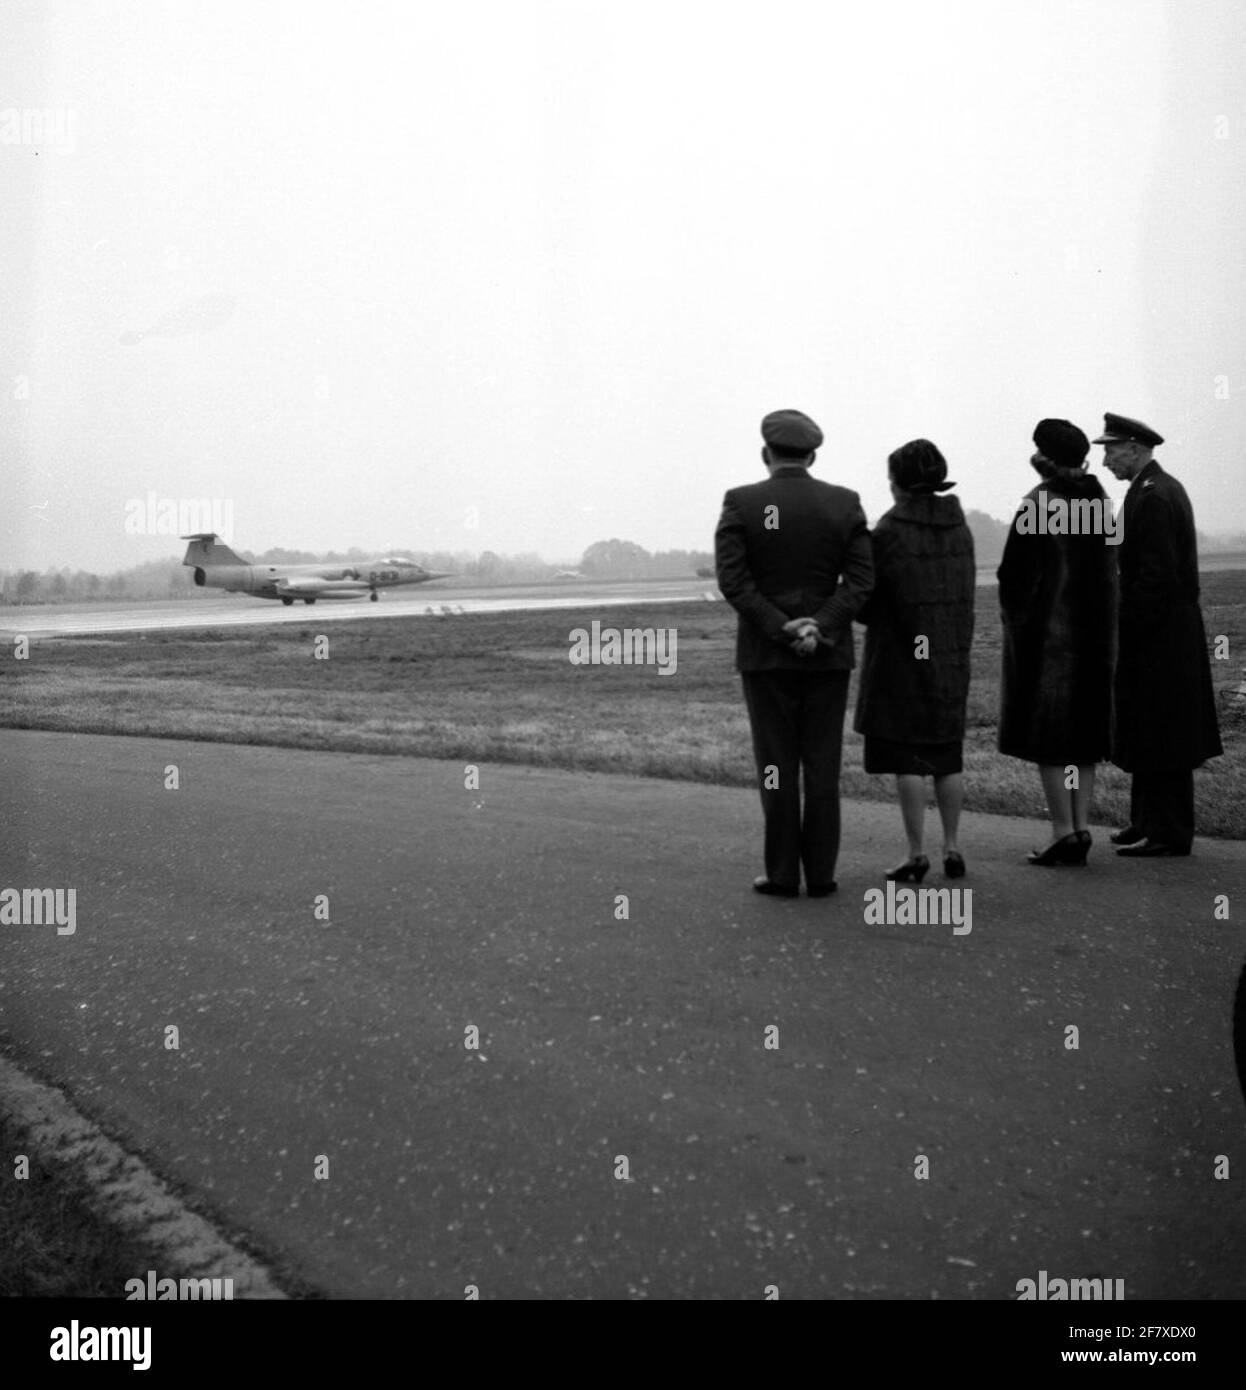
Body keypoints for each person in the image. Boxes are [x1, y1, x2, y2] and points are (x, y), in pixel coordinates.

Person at [715, 408, 874, 897]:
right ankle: (822, 874)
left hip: (766, 658)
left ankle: (782, 873)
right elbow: (862, 582)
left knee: (775, 765)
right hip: (827, 656)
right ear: (812, 454)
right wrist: (820, 625)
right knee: (822, 767)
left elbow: (734, 582)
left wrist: (782, 628)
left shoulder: (742, 502)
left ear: (766, 454)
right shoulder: (844, 503)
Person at [1095, 413, 1222, 855]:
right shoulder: (1154, 489)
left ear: (1134, 447)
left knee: (1164, 728)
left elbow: (1154, 577)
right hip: (1164, 628)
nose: (1106, 459)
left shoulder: (1151, 497)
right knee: (1148, 725)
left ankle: (1168, 833)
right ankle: (1146, 820)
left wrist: (1127, 626)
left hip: (1160, 632)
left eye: (1111, 450)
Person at [996, 420, 1118, 865]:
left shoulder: (1038, 503)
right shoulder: (1100, 502)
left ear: (1042, 456)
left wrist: (1018, 626)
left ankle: (1062, 830)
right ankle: (1081, 827)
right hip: (1095, 638)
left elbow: (1015, 578)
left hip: (1047, 642)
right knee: (1083, 738)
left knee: (1049, 737)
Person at [853, 439, 975, 881]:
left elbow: (867, 602)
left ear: (898, 483)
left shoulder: (888, 531)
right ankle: (954, 847)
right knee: (947, 757)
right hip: (950, 655)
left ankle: (916, 852)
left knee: (908, 761)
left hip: (900, 660)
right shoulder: (959, 526)